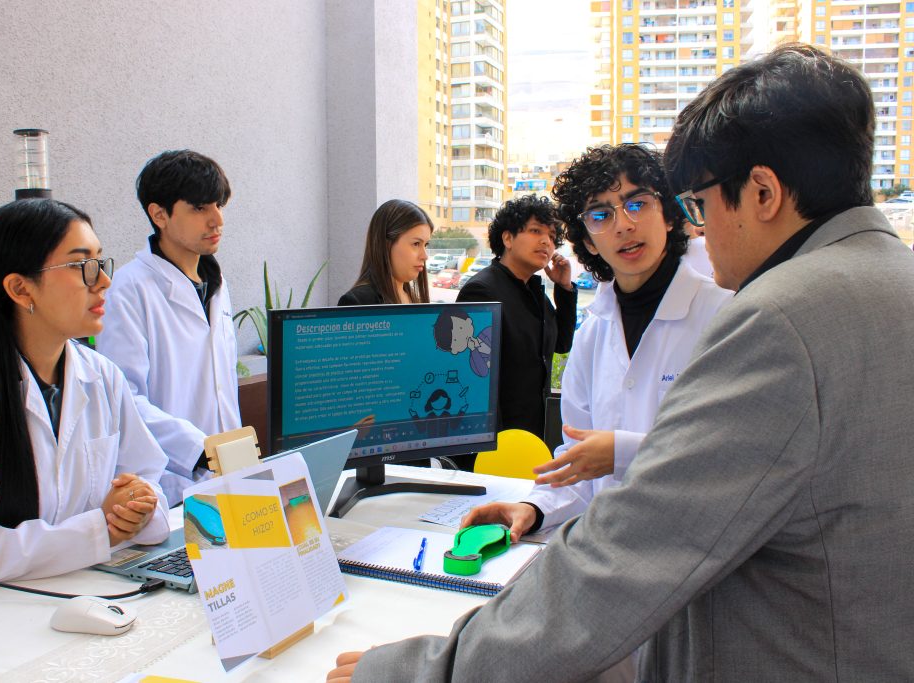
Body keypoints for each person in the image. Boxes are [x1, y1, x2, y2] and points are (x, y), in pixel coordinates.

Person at [327, 44, 914, 682]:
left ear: (764, 192)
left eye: (696, 204)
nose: (697, 226)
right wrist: (537, 508)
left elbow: (645, 539)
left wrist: (430, 671)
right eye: (602, 214)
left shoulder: (773, 314)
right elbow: (586, 464)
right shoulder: (882, 280)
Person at [0, 199, 169, 611]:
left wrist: (140, 504)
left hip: (71, 596)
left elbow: (147, 477)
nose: (103, 282)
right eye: (81, 266)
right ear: (20, 288)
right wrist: (100, 531)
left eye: (100, 261)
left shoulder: (102, 376)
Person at [463, 143, 731, 541]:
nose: (623, 225)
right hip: (610, 550)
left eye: (637, 204)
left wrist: (621, 452)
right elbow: (576, 469)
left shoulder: (725, 315)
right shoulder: (593, 335)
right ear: (588, 241)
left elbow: (732, 455)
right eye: (601, 215)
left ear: (671, 216)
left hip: (697, 552)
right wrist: (533, 508)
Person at [95, 150, 240, 505]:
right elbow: (123, 397)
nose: (216, 220)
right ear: (158, 214)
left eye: (218, 205)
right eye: (199, 208)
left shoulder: (216, 285)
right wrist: (198, 449)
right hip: (171, 483)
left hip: (231, 476)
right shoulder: (129, 289)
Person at [456, 194, 576, 445]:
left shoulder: (533, 292)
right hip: (500, 442)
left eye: (552, 237)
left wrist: (564, 289)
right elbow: (474, 380)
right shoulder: (482, 291)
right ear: (508, 238)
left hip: (533, 434)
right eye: (535, 231)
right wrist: (495, 445)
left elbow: (561, 345)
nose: (546, 241)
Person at [338, 199, 434, 305]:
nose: (425, 256)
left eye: (425, 245)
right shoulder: (358, 302)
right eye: (416, 244)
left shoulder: (415, 300)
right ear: (386, 245)